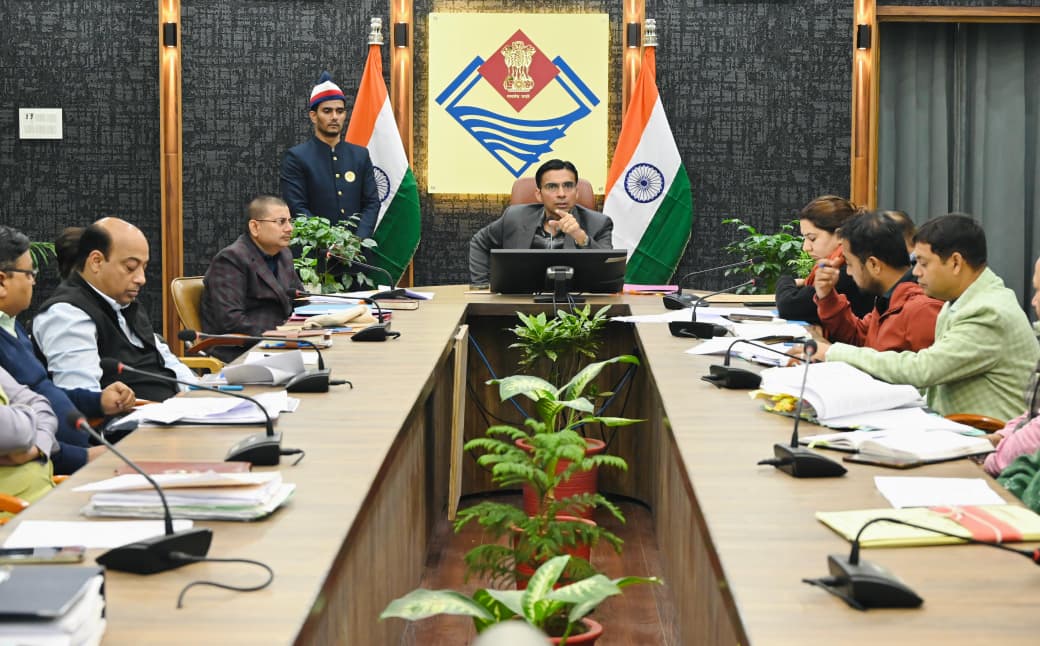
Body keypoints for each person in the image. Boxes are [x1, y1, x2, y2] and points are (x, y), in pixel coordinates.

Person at [821, 213, 1039, 420]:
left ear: (955, 263)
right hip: (958, 427)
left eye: (923, 263)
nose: (916, 272)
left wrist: (832, 352)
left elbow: (923, 369)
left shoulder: (988, 312)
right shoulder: (960, 301)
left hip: (991, 438)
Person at [0, 226, 134, 474]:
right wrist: (83, 456)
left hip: (77, 451)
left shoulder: (12, 326)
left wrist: (98, 401)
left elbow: (44, 395)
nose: (34, 281)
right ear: (2, 281)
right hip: (55, 468)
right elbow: (16, 436)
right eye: (29, 273)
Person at [34, 218, 197, 402]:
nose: (142, 279)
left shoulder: (125, 304)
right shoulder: (67, 315)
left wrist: (198, 393)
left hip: (174, 411)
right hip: (135, 418)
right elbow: (84, 399)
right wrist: (166, 406)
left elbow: (166, 360)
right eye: (131, 267)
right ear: (96, 261)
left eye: (144, 267)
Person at [811, 210, 941, 352]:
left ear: (874, 265)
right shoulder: (890, 298)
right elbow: (859, 336)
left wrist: (830, 352)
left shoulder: (921, 310)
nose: (848, 272)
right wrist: (827, 295)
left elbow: (922, 366)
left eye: (849, 263)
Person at [468, 159, 613, 285]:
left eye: (568, 186)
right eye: (552, 187)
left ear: (577, 192)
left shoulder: (599, 224)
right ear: (539, 195)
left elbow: (608, 273)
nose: (561, 194)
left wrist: (581, 238)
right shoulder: (515, 217)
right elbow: (479, 242)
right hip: (519, 300)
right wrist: (481, 285)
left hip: (574, 303)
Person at [201, 196, 304, 362]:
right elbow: (230, 321)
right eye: (281, 222)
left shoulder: (284, 254)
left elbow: (301, 300)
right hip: (240, 351)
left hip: (280, 344)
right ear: (255, 227)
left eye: (290, 221)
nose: (289, 228)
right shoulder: (231, 259)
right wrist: (280, 334)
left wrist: (319, 321)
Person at [280, 71, 379, 239]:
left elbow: (372, 203)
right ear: (313, 116)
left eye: (339, 111)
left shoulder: (360, 155)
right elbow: (298, 208)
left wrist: (355, 241)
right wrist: (332, 242)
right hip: (314, 249)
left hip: (356, 249)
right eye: (327, 111)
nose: (334, 117)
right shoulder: (297, 157)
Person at [774, 195, 874, 324]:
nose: (805, 247)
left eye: (812, 238)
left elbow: (790, 306)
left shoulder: (848, 272)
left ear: (840, 235)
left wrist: (786, 280)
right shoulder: (843, 264)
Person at [983, 255, 1040, 476]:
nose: (1033, 301)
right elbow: (1032, 416)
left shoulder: (989, 312)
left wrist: (991, 459)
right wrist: (1001, 437)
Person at [0, 365, 58, 506]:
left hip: (46, 496)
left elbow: (39, 403)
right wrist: (26, 412)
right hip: (12, 512)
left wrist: (37, 447)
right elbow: (17, 434)